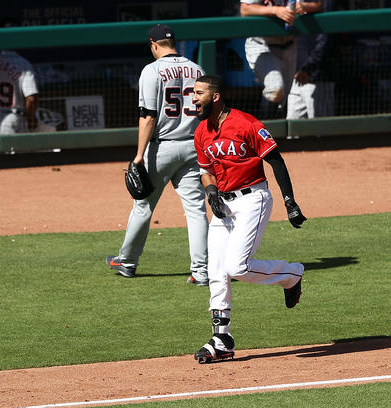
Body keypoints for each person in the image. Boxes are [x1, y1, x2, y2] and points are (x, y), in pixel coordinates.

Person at [191, 75, 307, 363]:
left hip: (253, 199)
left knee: (236, 267)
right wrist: (211, 192)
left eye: (198, 93)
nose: (193, 98)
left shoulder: (247, 123)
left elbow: (275, 160)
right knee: (216, 271)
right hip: (223, 205)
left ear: (215, 97)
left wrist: (289, 202)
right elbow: (206, 169)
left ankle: (291, 275)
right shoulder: (201, 132)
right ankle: (222, 339)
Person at [106, 24, 210, 286]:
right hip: (192, 145)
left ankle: (127, 262)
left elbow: (148, 116)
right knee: (196, 210)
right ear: (174, 42)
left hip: (161, 147)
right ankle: (201, 271)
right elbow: (207, 112)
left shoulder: (151, 71)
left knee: (143, 205)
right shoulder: (197, 69)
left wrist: (139, 155)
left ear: (154, 45)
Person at [240, 0, 302, 118]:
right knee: (275, 88)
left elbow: (317, 5)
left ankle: (273, 132)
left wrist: (303, 7)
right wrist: (275, 10)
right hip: (262, 45)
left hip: (290, 45)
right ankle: (263, 128)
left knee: (283, 100)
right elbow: (245, 9)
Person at [287, 0, 337, 119]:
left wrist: (308, 67)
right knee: (293, 130)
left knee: (321, 131)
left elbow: (326, 39)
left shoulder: (327, 3)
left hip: (318, 76)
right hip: (297, 74)